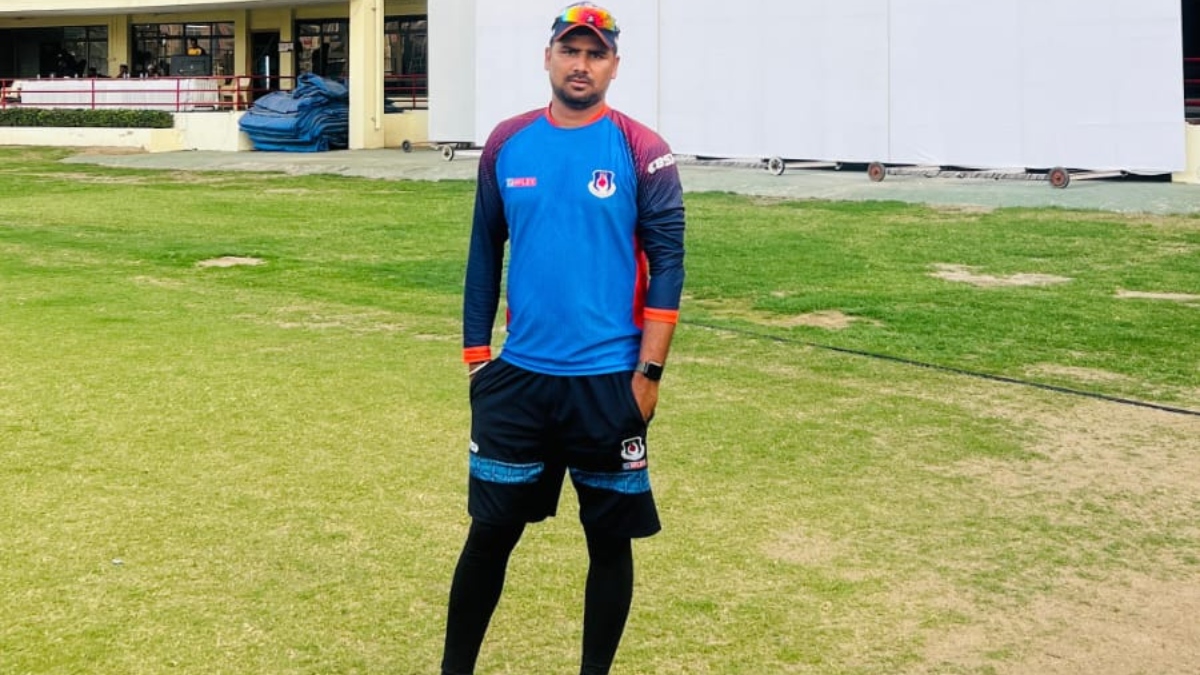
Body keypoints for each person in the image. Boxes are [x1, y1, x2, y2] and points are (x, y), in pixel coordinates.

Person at [442, 3, 686, 674]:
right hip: (519, 380)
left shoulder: (643, 150)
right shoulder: (507, 143)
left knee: (608, 540)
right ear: (547, 57)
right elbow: (484, 252)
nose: (581, 64)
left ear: (614, 65)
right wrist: (477, 359)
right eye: (570, 51)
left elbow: (669, 265)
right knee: (489, 535)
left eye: (595, 53)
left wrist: (648, 375)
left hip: (609, 381)